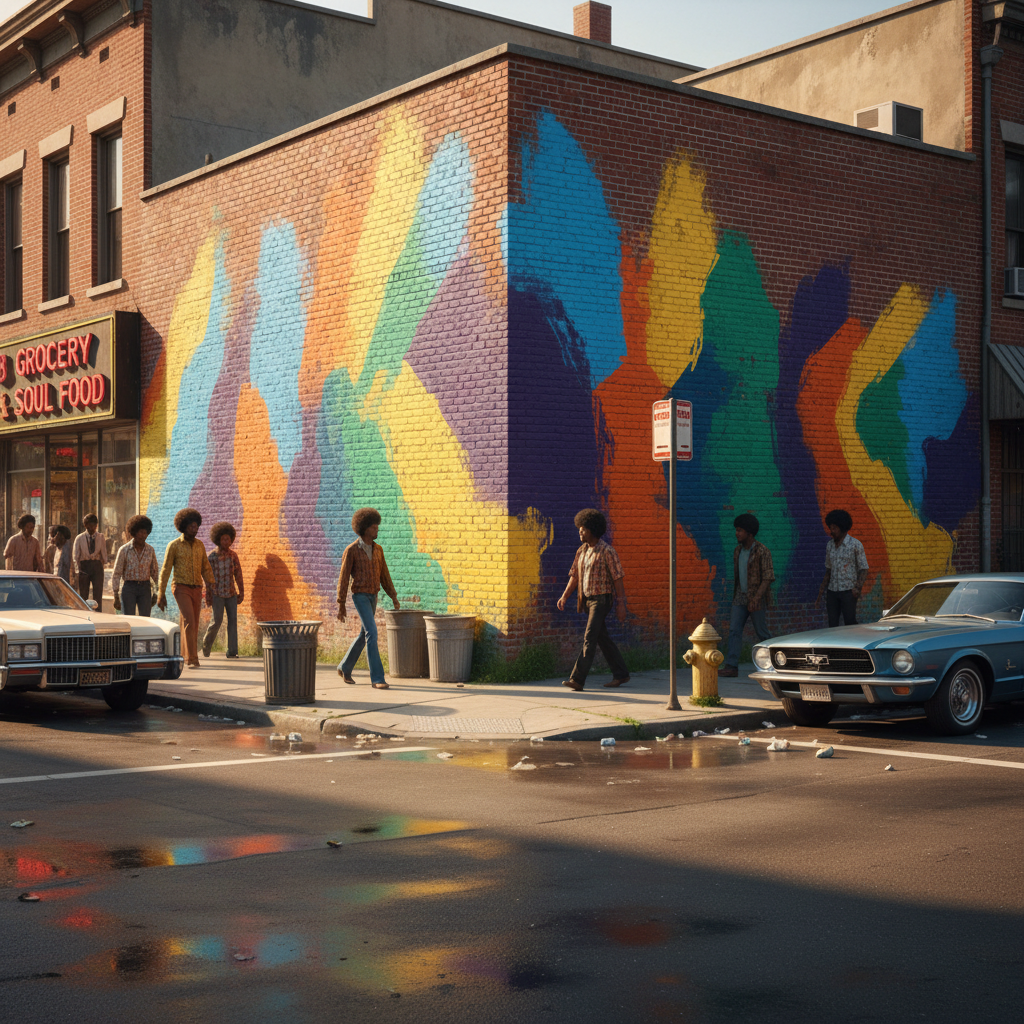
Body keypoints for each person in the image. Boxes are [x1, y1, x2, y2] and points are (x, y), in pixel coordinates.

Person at [557, 508, 630, 691]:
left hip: (602, 600)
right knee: (601, 637)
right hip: (588, 600)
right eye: (579, 529)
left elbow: (617, 577)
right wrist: (565, 596)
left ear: (592, 529)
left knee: (589, 636)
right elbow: (574, 576)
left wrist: (621, 603)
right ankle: (621, 674)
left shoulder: (607, 551)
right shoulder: (581, 551)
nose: (579, 532)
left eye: (582, 529)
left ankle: (577, 679)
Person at [336, 508, 399, 689]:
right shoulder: (352, 550)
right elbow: (344, 578)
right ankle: (377, 678)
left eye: (377, 526)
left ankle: (345, 667)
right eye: (373, 527)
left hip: (374, 596)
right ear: (364, 528)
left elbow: (385, 576)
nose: (377, 530)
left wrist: (393, 596)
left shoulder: (378, 550)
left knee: (365, 634)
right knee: (372, 632)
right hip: (360, 596)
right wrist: (341, 604)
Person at [158, 507, 215, 669]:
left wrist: (210, 587)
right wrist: (161, 593)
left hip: (197, 587)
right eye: (191, 526)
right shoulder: (174, 545)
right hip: (181, 587)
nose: (194, 529)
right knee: (190, 619)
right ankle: (193, 658)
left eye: (196, 526)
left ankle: (183, 654)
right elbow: (166, 569)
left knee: (192, 622)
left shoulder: (200, 545)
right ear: (183, 526)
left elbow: (206, 567)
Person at [720, 513, 775, 678]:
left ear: (749, 533)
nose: (737, 533)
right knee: (734, 630)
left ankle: (774, 664)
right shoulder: (737, 551)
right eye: (736, 530)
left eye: (740, 530)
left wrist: (756, 598)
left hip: (756, 598)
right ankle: (731, 666)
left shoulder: (762, 551)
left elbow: (768, 577)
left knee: (762, 633)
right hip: (740, 597)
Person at [817, 508, 869, 627]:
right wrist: (822, 590)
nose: (831, 531)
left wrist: (857, 588)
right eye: (830, 527)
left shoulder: (855, 545)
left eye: (834, 528)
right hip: (832, 592)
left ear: (842, 527)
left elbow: (864, 568)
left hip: (848, 592)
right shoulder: (829, 545)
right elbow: (828, 570)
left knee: (850, 623)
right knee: (832, 624)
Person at [203, 522, 244, 658]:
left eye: (228, 539)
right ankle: (206, 645)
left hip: (231, 594)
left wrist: (241, 591)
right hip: (217, 594)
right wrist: (208, 595)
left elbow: (238, 575)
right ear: (218, 540)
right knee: (217, 621)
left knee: (233, 621)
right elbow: (207, 578)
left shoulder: (233, 556)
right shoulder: (212, 557)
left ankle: (232, 651)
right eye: (223, 539)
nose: (227, 541)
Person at [111, 515, 159, 616]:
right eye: (141, 532)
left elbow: (154, 572)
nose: (143, 535)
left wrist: (155, 593)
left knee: (145, 619)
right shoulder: (124, 550)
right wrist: (115, 595)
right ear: (134, 532)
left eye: (145, 533)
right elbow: (117, 573)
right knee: (129, 619)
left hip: (145, 588)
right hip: (129, 588)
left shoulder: (150, 550)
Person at [73, 513, 108, 603]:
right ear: (85, 526)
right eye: (89, 527)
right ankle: (84, 614)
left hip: (97, 566)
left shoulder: (101, 537)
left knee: (98, 594)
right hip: (84, 566)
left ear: (96, 526)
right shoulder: (79, 538)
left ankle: (98, 612)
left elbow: (103, 553)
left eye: (93, 526)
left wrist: (102, 564)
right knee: (83, 595)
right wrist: (78, 571)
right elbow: (75, 556)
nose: (91, 529)